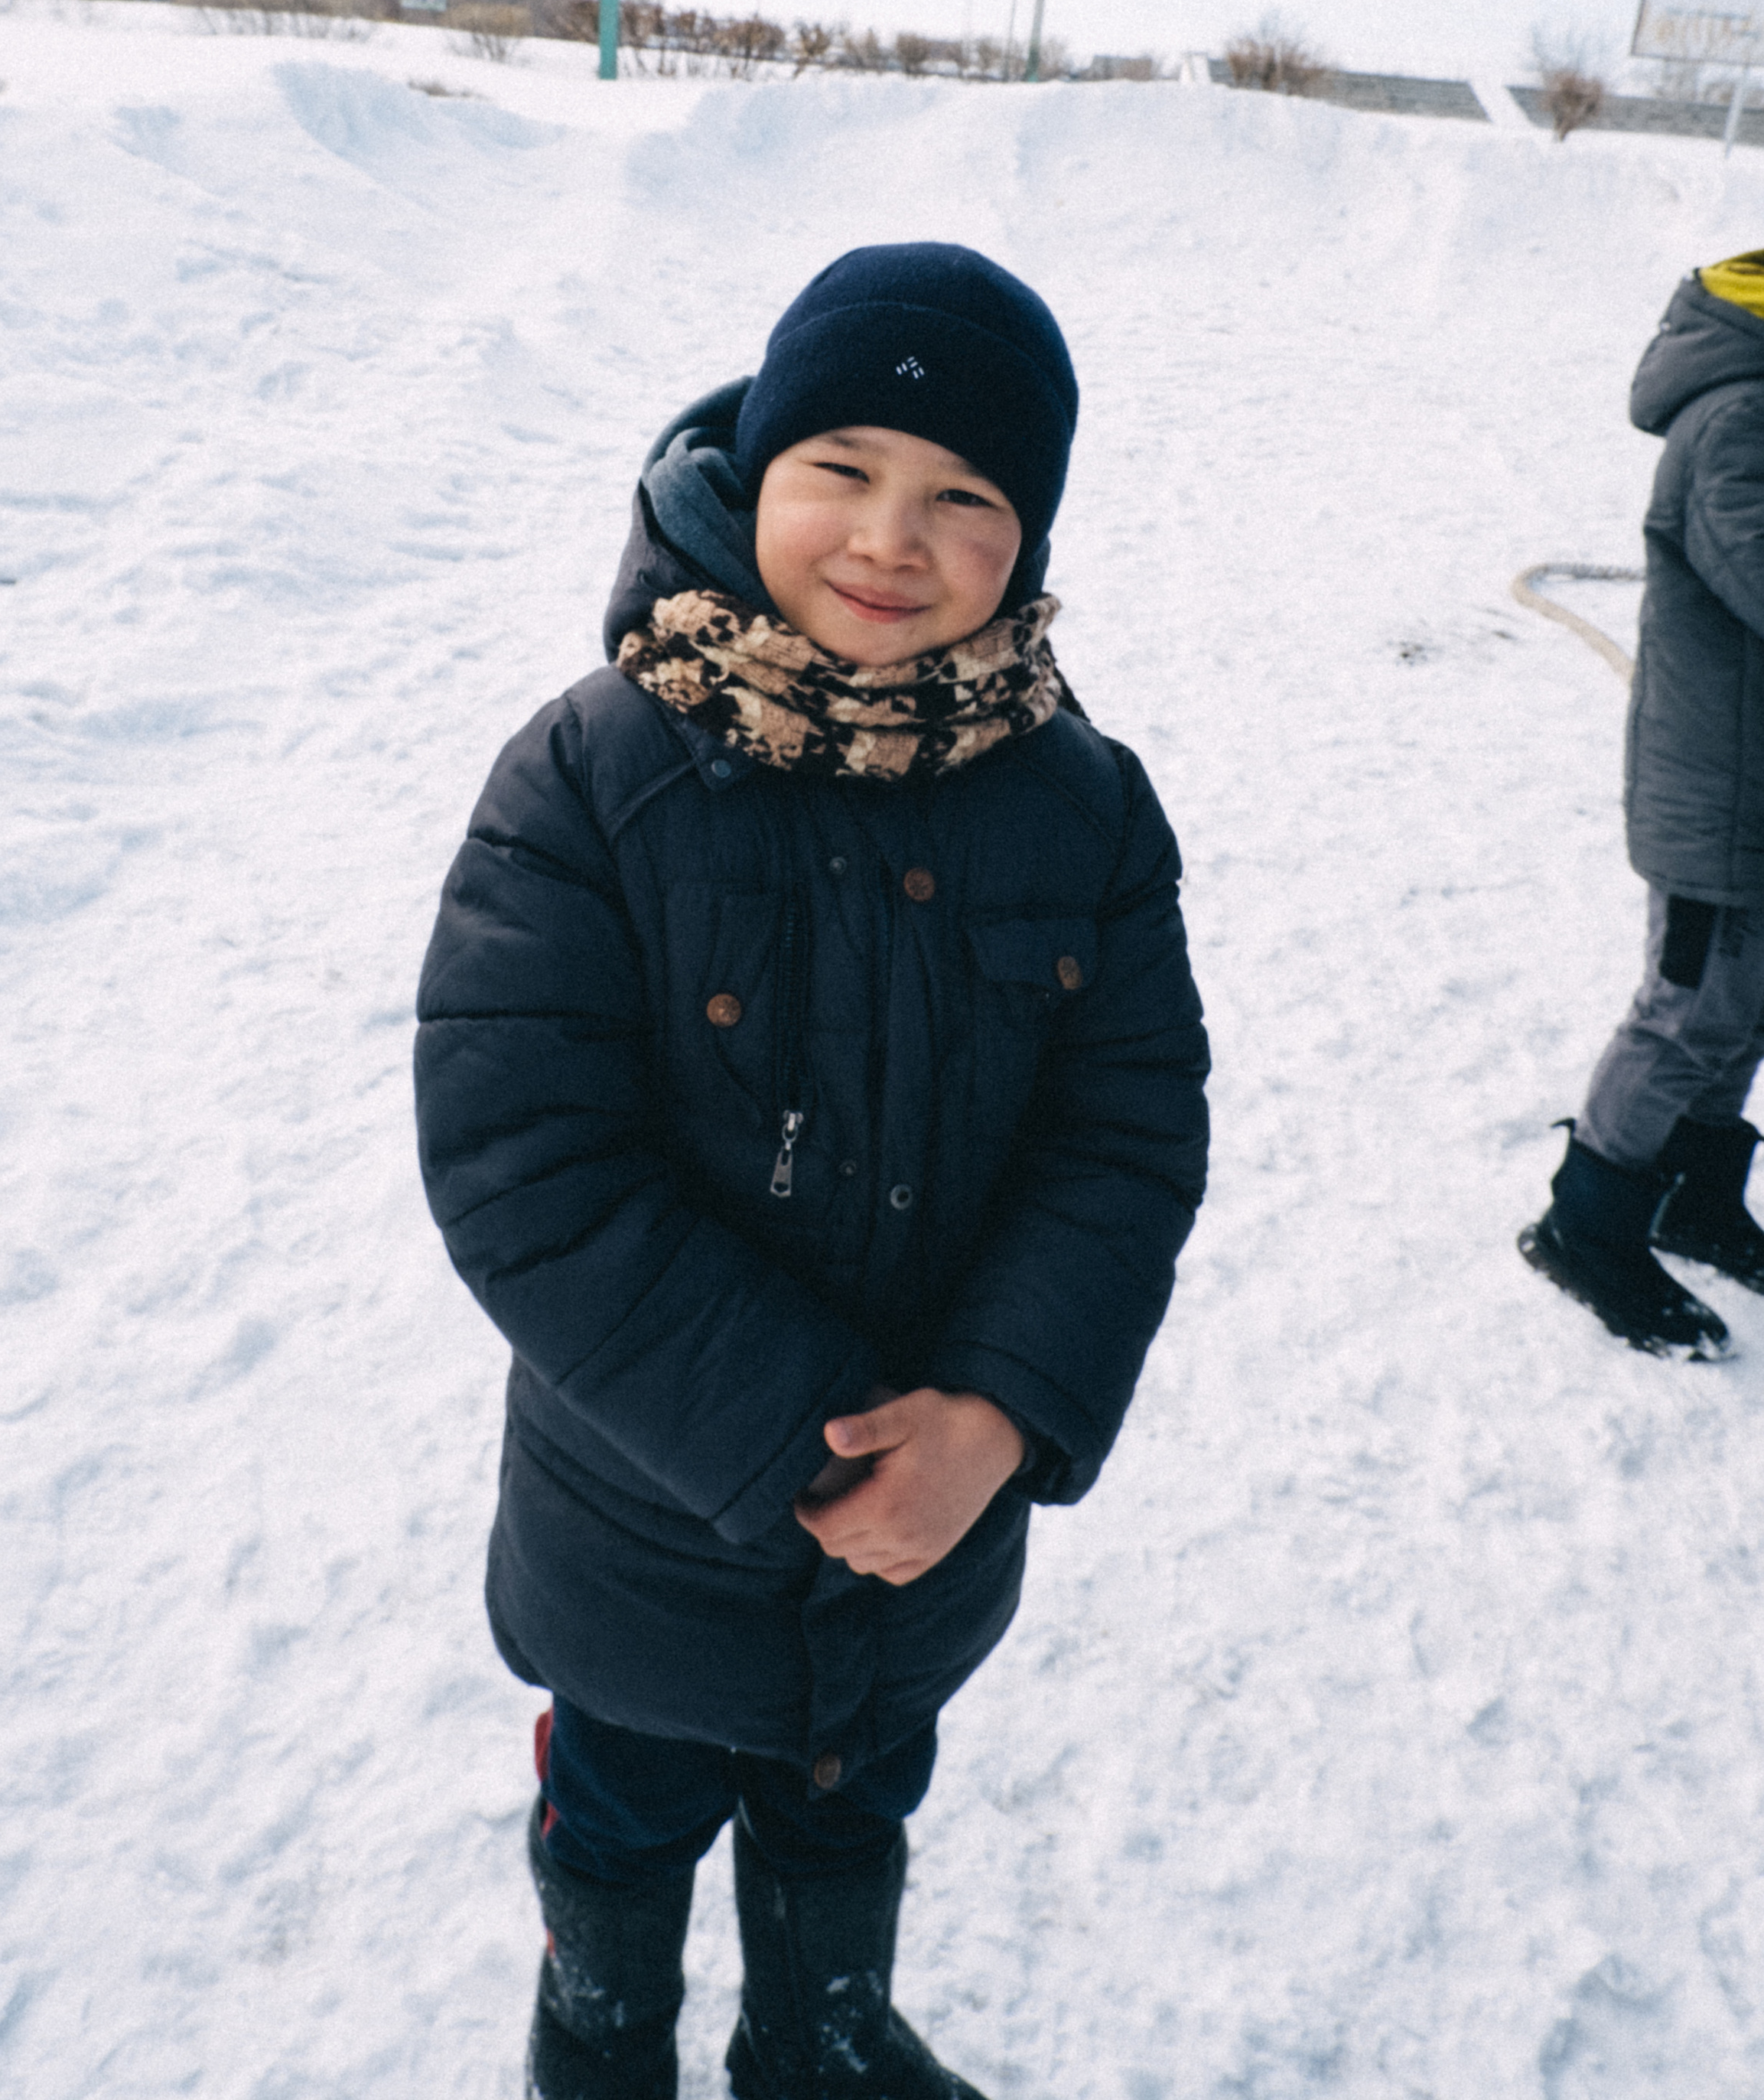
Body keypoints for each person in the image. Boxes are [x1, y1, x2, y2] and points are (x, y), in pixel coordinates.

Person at [415, 243, 1209, 2099]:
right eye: (840, 468)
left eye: (963, 497)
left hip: (931, 1527)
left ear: (1028, 536)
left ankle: (815, 2033)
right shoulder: (591, 774)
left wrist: (997, 1417)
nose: (887, 538)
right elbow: (524, 1163)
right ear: (751, 470)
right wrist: (802, 1444)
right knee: (626, 1805)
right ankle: (599, 2034)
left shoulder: (1082, 806)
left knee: (851, 1794)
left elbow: (1124, 1136)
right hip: (650, 1522)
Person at [1521, 247, 1764, 1357]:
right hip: (1718, 790)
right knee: (1689, 1005)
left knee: (1746, 1005)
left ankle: (1696, 1195)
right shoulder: (1737, 420)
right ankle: (1589, 1226)